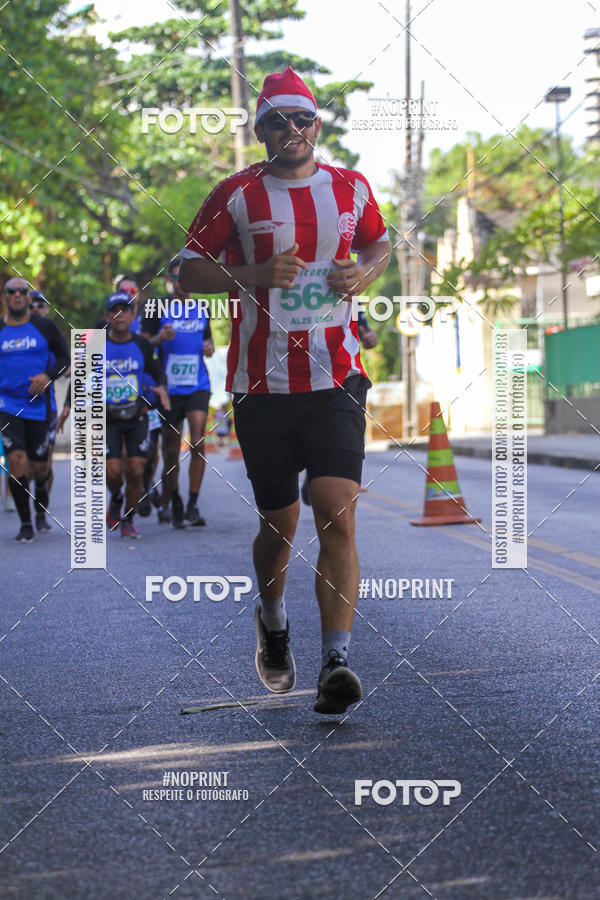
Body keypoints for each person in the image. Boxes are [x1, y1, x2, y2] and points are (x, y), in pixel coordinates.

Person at [179, 67, 391, 714]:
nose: (291, 130)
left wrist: (365, 272)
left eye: (302, 119)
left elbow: (380, 242)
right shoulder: (235, 194)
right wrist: (252, 272)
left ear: (317, 126)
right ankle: (272, 617)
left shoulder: (351, 188)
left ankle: (335, 663)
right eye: (277, 120)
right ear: (261, 129)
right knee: (280, 524)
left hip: (336, 377)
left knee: (336, 508)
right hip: (261, 385)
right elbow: (186, 273)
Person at [61, 291, 170, 538]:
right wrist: (68, 405)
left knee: (135, 468)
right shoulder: (96, 346)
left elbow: (156, 369)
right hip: (107, 418)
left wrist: (162, 387)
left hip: (136, 416)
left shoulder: (141, 344)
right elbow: (79, 377)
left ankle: (128, 520)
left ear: (132, 316)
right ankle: (117, 497)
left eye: (125, 310)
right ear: (107, 316)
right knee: (111, 471)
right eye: (115, 311)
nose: (120, 315)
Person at [141, 256, 214, 528]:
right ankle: (174, 501)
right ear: (170, 281)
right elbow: (141, 344)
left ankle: (193, 504)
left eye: (189, 279)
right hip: (168, 389)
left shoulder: (202, 308)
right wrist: (159, 338)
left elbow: (208, 342)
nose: (184, 285)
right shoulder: (156, 308)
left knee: (197, 440)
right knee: (171, 450)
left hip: (197, 384)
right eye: (178, 278)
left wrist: (209, 347)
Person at [0, 278, 70, 541]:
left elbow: (64, 358)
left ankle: (41, 503)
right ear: (5, 297)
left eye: (21, 291)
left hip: (39, 407)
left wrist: (48, 376)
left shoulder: (44, 326)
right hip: (6, 406)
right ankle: (26, 523)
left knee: (40, 469)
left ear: (27, 297)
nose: (17, 295)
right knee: (16, 460)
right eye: (11, 292)